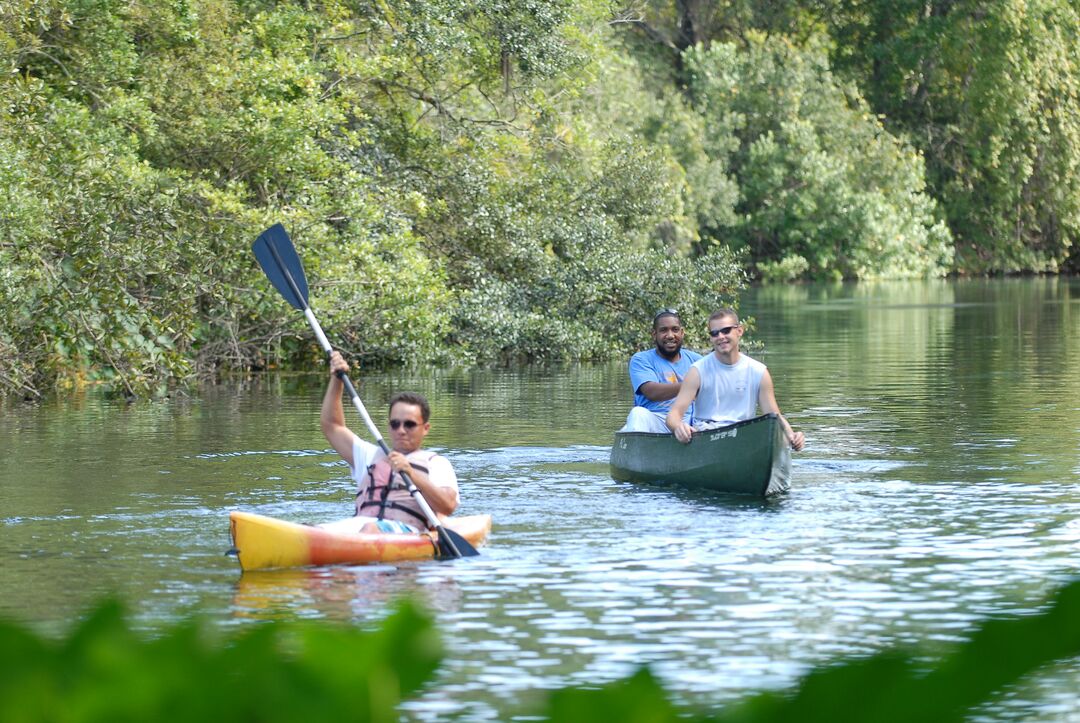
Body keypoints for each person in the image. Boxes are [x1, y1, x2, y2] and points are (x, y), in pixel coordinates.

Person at [319, 350, 459, 535]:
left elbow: (448, 506)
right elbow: (332, 426)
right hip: (358, 526)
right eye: (395, 424)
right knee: (311, 529)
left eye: (409, 424)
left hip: (405, 531)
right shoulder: (369, 455)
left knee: (370, 529)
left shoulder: (437, 464)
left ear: (425, 428)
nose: (401, 430)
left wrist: (411, 473)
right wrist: (337, 380)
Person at [666, 308, 805, 451]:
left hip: (743, 435)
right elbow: (673, 415)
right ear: (711, 338)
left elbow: (774, 416)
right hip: (708, 435)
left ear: (739, 331)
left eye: (726, 331)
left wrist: (792, 436)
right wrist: (678, 427)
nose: (720, 337)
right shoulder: (697, 371)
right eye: (714, 333)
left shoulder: (759, 371)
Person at [620, 308, 703, 434]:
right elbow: (651, 392)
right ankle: (637, 451)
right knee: (637, 413)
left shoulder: (697, 360)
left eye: (675, 330)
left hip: (689, 423)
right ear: (654, 335)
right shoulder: (641, 359)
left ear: (682, 333)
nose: (670, 335)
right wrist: (690, 385)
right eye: (664, 330)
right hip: (655, 422)